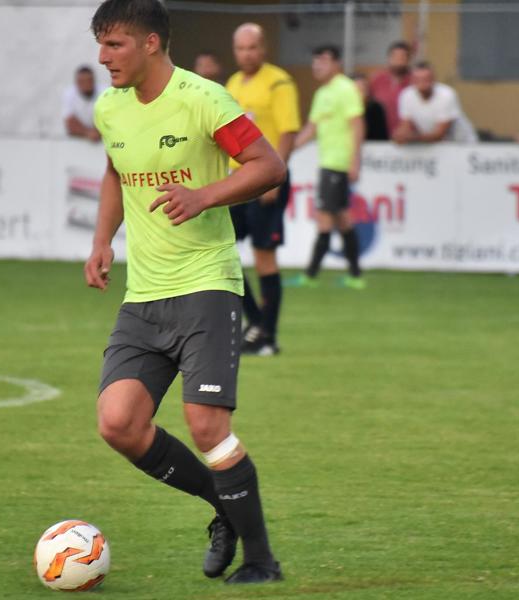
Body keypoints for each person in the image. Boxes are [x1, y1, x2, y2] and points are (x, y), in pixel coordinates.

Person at [86, 0, 286, 585]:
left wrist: (205, 194)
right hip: (143, 295)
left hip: (206, 284)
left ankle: (261, 562)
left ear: (151, 43)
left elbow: (268, 165)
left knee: (206, 425)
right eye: (100, 44)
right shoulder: (110, 108)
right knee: (117, 423)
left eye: (115, 44)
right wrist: (102, 240)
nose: (103, 57)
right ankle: (222, 505)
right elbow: (114, 172)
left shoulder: (204, 98)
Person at [221, 23, 301, 356]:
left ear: (263, 48)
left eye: (252, 47)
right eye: (240, 48)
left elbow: (288, 133)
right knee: (222, 251)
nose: (246, 54)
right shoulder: (233, 83)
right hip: (237, 181)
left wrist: (274, 176)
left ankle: (267, 334)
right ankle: (255, 324)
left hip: (266, 178)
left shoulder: (279, 81)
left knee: (264, 258)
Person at [290, 45, 366, 289]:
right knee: (342, 219)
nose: (317, 65)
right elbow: (311, 129)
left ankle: (310, 275)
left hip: (338, 164)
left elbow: (357, 125)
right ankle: (355, 275)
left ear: (337, 64)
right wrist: (284, 151)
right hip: (328, 164)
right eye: (315, 60)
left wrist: (355, 161)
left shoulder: (346, 89)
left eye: (322, 60)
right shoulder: (322, 93)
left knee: (325, 218)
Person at [393, 61, 477, 144]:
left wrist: (411, 138)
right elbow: (405, 124)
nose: (422, 83)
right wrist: (400, 134)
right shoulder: (406, 95)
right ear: (412, 80)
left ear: (433, 79)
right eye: (418, 79)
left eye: (426, 79)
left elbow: (439, 134)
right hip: (434, 145)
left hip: (463, 144)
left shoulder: (446, 95)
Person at [368, 41, 412, 136]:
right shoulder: (377, 79)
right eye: (396, 57)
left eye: (403, 57)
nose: (399, 60)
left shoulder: (414, 81)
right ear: (389, 58)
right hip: (380, 135)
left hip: (406, 138)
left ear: (408, 60)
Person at [63, 66, 104, 141]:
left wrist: (98, 132)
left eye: (88, 80)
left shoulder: (104, 92)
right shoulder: (69, 94)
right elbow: (69, 121)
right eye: (82, 81)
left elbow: (109, 119)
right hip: (79, 140)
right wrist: (88, 133)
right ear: (77, 83)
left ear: (94, 81)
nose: (86, 84)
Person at [353, 73, 389, 141]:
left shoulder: (376, 108)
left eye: (364, 88)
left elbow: (380, 136)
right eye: (358, 89)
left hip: (373, 147)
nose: (362, 93)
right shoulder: (344, 108)